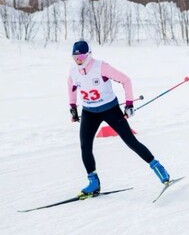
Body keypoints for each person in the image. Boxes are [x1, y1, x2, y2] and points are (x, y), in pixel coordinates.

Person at [67, 40, 170, 197]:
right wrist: (73, 107)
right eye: (75, 57)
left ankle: (159, 168)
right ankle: (93, 182)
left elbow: (126, 80)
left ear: (88, 55)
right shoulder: (74, 72)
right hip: (89, 112)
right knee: (85, 146)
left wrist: (129, 104)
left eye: (80, 56)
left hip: (110, 109)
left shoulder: (101, 66)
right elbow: (71, 88)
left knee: (131, 142)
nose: (78, 60)